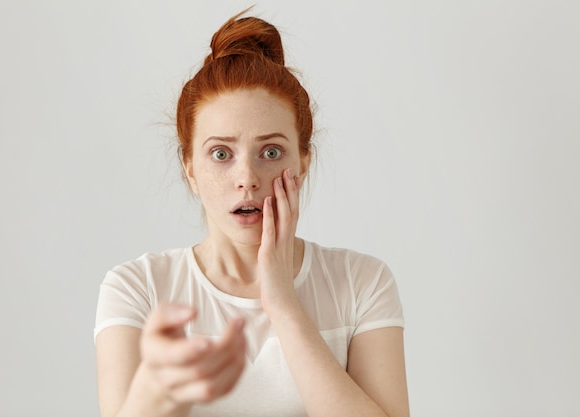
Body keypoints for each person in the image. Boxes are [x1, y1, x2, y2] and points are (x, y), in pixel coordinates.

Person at [94, 9, 410, 417]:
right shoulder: (138, 289)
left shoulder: (362, 284)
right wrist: (157, 387)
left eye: (271, 152)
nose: (247, 179)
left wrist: (282, 301)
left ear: (304, 162)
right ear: (190, 168)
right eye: (221, 154)